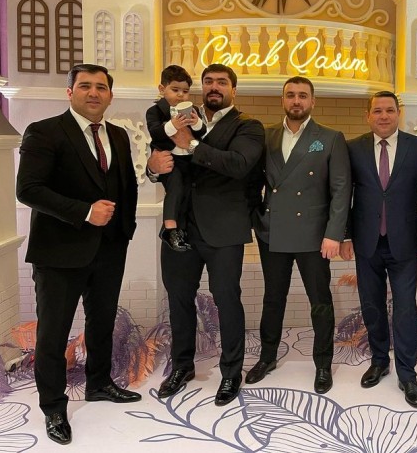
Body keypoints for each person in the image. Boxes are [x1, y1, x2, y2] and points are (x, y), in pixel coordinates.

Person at [16, 64, 140, 446]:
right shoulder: (44, 131)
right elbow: (28, 189)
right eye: (85, 86)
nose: (93, 92)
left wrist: (125, 231)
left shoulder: (117, 135)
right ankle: (54, 408)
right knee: (53, 334)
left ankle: (99, 384)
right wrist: (84, 211)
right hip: (59, 252)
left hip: (110, 249)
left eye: (101, 87)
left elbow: (126, 186)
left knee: (101, 324)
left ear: (110, 95)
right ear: (70, 92)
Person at [147, 64, 264, 407]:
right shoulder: (182, 115)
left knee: (227, 300)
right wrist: (152, 169)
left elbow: (238, 165)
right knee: (179, 299)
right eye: (208, 81)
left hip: (224, 228)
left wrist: (193, 145)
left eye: (222, 82)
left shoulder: (247, 126)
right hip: (180, 227)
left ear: (233, 90)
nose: (214, 87)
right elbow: (163, 155)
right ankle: (182, 367)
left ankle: (231, 371)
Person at [246, 76, 351, 394]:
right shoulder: (266, 136)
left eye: (302, 95)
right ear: (282, 100)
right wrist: (256, 217)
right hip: (273, 231)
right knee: (272, 298)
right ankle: (267, 357)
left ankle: (323, 363)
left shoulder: (330, 138)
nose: (296, 100)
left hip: (314, 235)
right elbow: (250, 180)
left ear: (312, 101)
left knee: (320, 301)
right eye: (290, 95)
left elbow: (341, 189)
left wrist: (335, 234)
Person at [340, 91, 417, 408]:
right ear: (368, 115)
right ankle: (379, 361)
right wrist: (345, 236)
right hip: (366, 241)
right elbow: (343, 195)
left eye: (389, 110)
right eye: (377, 111)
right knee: (371, 305)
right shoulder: (353, 148)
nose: (383, 116)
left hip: (405, 243)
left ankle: (407, 374)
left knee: (405, 308)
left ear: (399, 113)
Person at [146, 65, 207, 251]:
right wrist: (173, 125)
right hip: (169, 159)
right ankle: (170, 228)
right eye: (175, 90)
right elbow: (156, 133)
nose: (181, 95)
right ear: (162, 88)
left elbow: (202, 132)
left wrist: (196, 123)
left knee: (186, 191)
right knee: (175, 188)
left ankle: (180, 230)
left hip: (188, 160)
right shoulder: (155, 111)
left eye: (185, 91)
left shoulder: (193, 110)